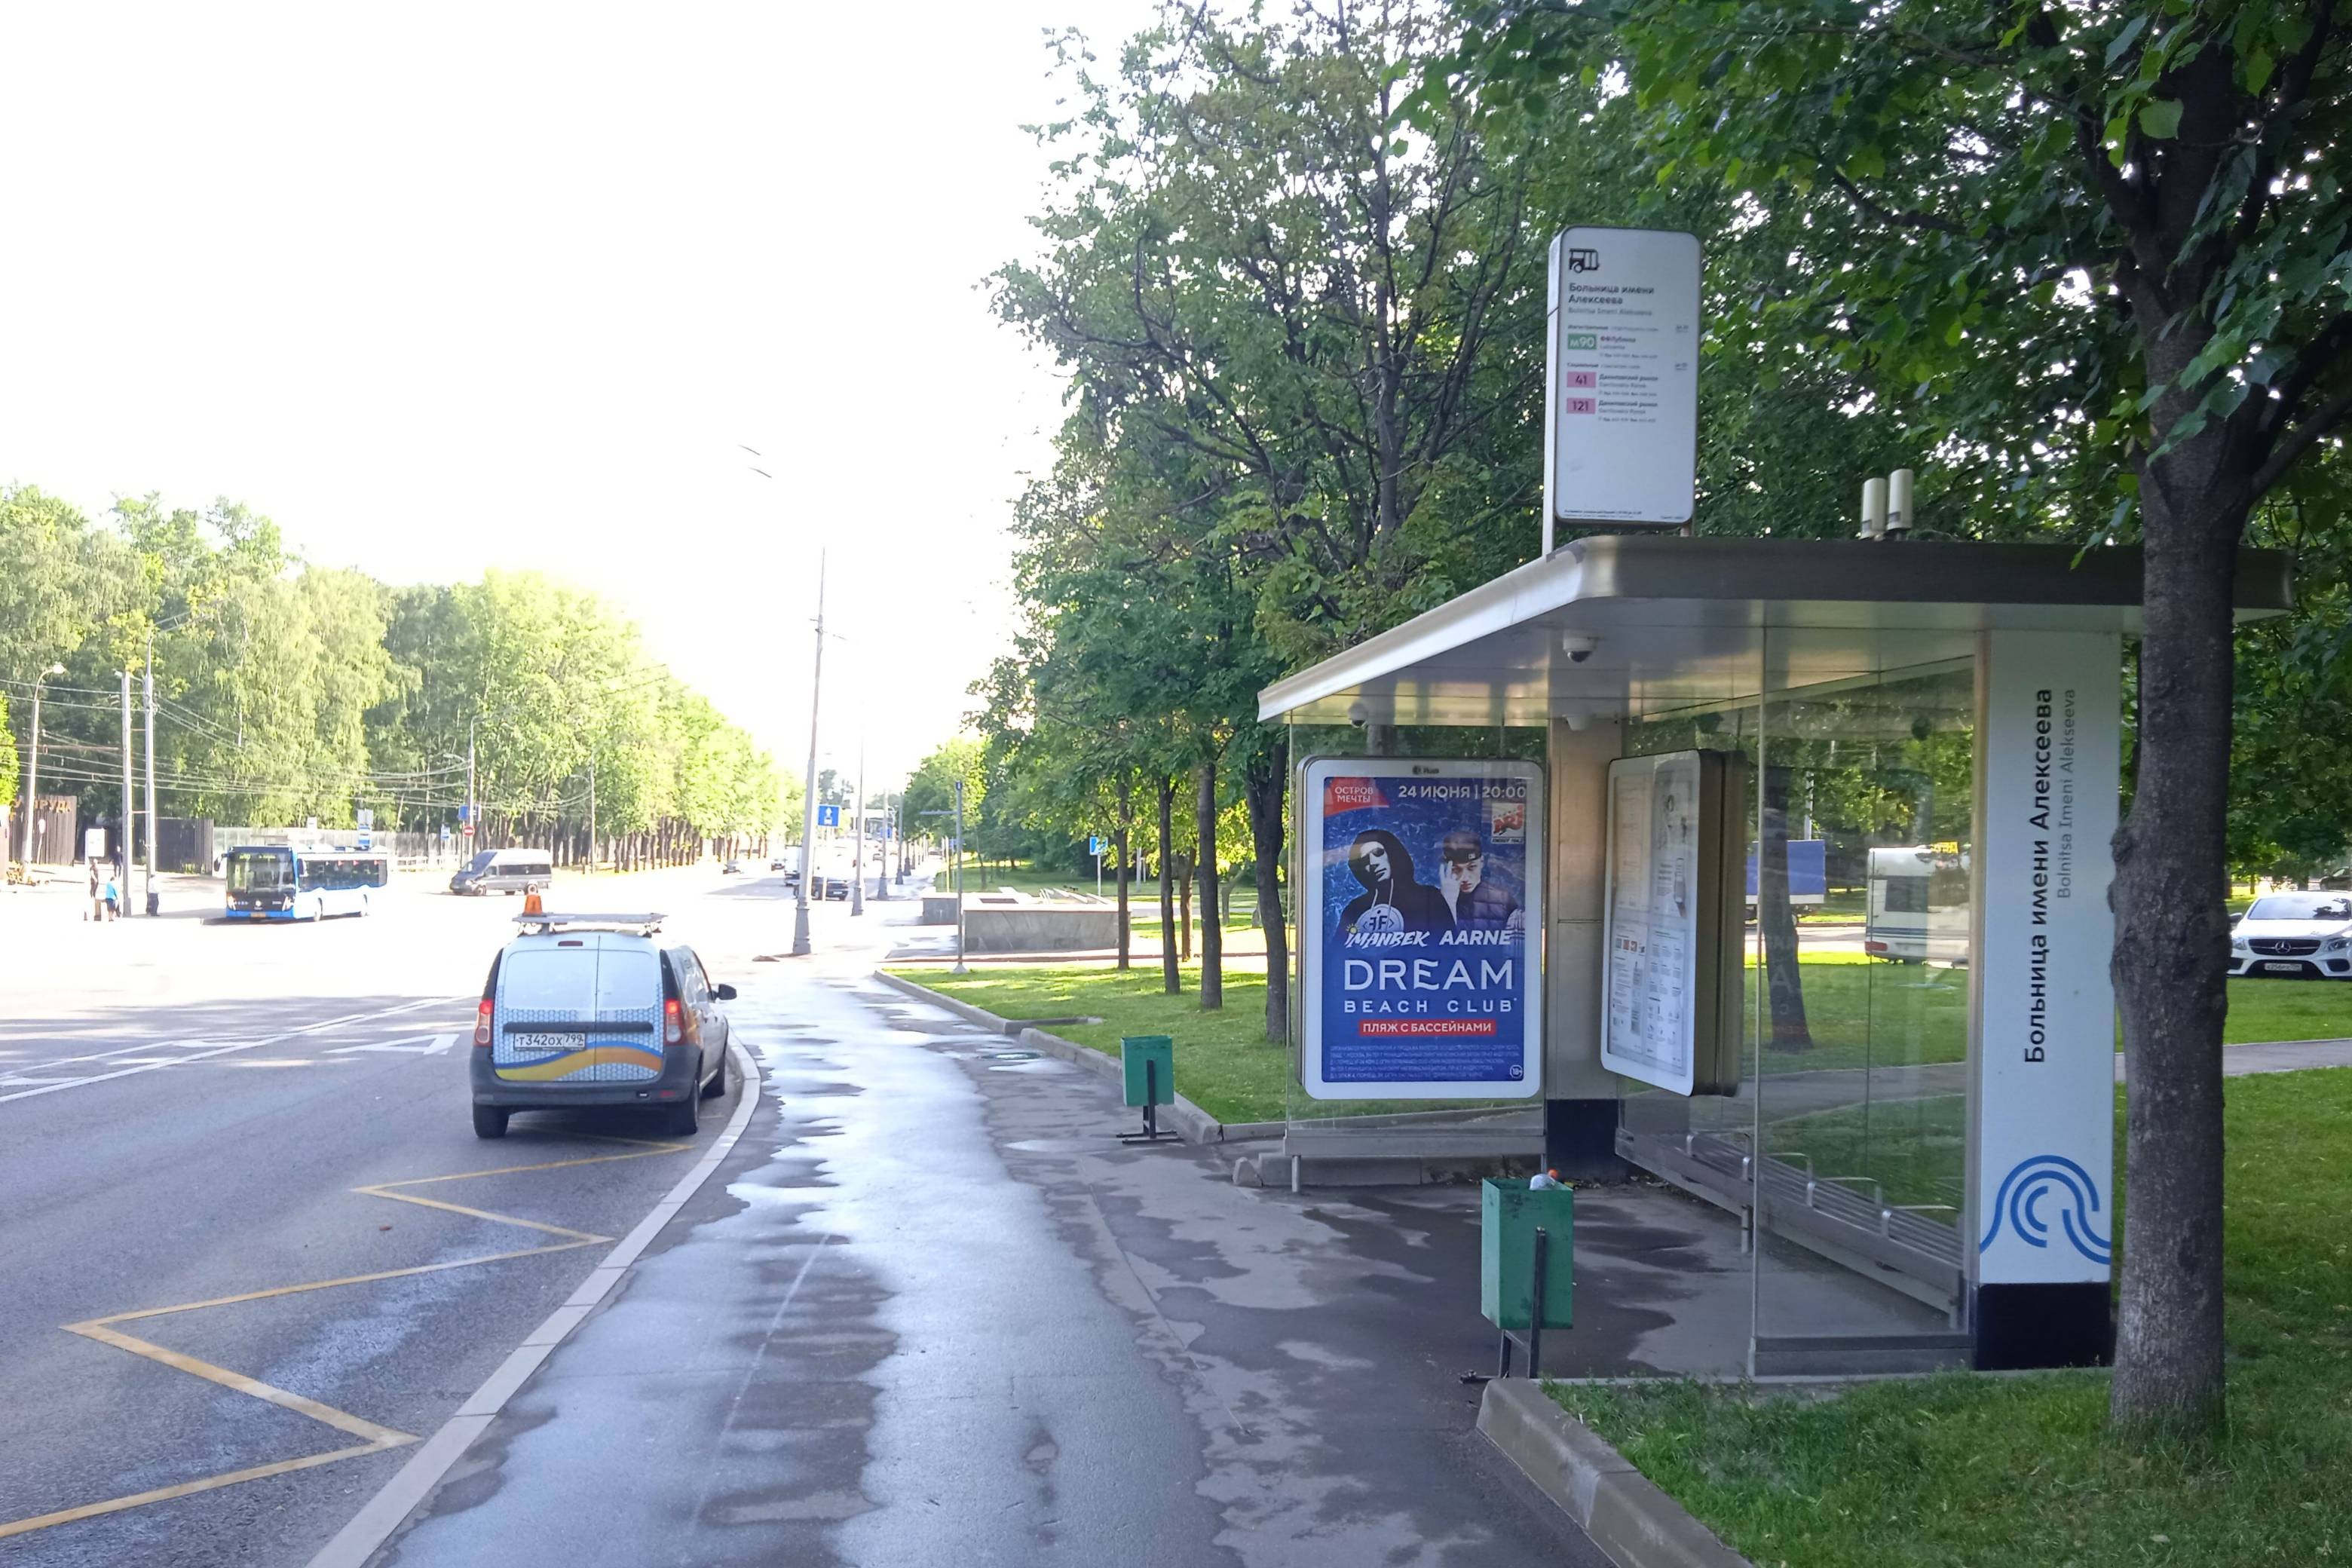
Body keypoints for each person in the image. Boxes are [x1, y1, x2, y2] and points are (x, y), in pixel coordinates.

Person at [1339, 828, 1454, 937]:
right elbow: (1339, 946)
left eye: (1378, 853)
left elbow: (1447, 941)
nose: (1373, 863)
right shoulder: (1355, 909)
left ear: (1392, 854)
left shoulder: (1428, 896)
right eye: (1365, 859)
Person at [1436, 828, 1524, 933]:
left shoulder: (1503, 900)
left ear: (1482, 862)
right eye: (1456, 869)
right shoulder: (1436, 900)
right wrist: (1447, 904)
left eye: (1472, 867)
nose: (1465, 878)